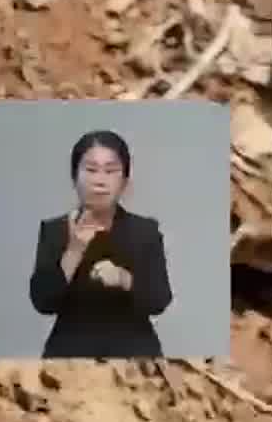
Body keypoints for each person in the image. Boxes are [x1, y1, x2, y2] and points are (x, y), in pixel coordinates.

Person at [29, 130, 173, 358]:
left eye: (111, 171)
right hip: (69, 355)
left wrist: (124, 278)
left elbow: (160, 300)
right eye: (90, 169)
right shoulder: (54, 229)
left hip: (135, 354)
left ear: (124, 181)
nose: (99, 180)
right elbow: (42, 302)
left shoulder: (145, 230)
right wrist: (74, 250)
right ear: (74, 177)